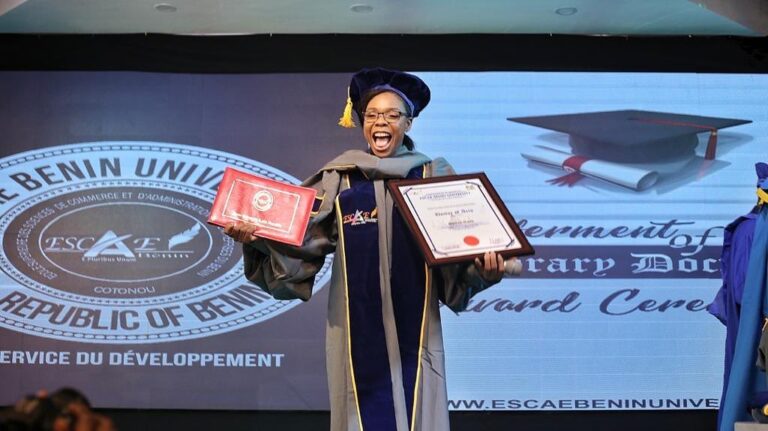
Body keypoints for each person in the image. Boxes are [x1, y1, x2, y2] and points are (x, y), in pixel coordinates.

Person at [225, 67, 511, 431]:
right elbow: (300, 239)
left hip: (416, 329)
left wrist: (481, 271)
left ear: (408, 123)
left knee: (417, 408)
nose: (381, 122)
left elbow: (457, 251)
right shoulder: (340, 179)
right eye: (372, 115)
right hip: (354, 326)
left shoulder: (431, 177)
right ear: (361, 122)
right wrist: (259, 238)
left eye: (392, 115)